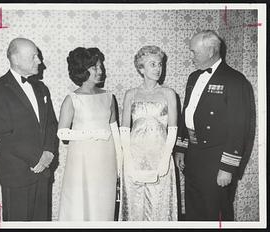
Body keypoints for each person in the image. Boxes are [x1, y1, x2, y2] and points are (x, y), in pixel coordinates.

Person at [174, 30, 256, 221]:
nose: (191, 56)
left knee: (216, 212)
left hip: (217, 159)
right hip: (193, 156)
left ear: (210, 51)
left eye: (194, 51)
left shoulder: (235, 81)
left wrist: (227, 167)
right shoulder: (193, 78)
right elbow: (187, 113)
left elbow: (240, 128)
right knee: (194, 208)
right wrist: (181, 147)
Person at [0, 38, 58, 221]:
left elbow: (51, 124)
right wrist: (37, 158)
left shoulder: (41, 88)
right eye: (34, 57)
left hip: (43, 173)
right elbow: (4, 135)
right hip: (17, 175)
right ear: (16, 59)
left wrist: (48, 153)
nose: (40, 62)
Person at [57, 47, 122, 221]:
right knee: (81, 203)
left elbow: (115, 130)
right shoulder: (72, 98)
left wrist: (121, 163)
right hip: (82, 160)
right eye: (95, 67)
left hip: (106, 159)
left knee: (103, 204)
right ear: (81, 69)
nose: (100, 71)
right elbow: (62, 133)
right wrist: (92, 133)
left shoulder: (109, 97)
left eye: (101, 67)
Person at [119, 45, 178, 221]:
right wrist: (127, 161)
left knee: (159, 207)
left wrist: (165, 160)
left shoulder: (168, 93)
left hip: (160, 157)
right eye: (152, 64)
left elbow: (173, 129)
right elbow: (124, 130)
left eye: (159, 64)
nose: (158, 68)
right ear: (141, 68)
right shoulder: (131, 94)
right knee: (134, 207)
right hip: (134, 157)